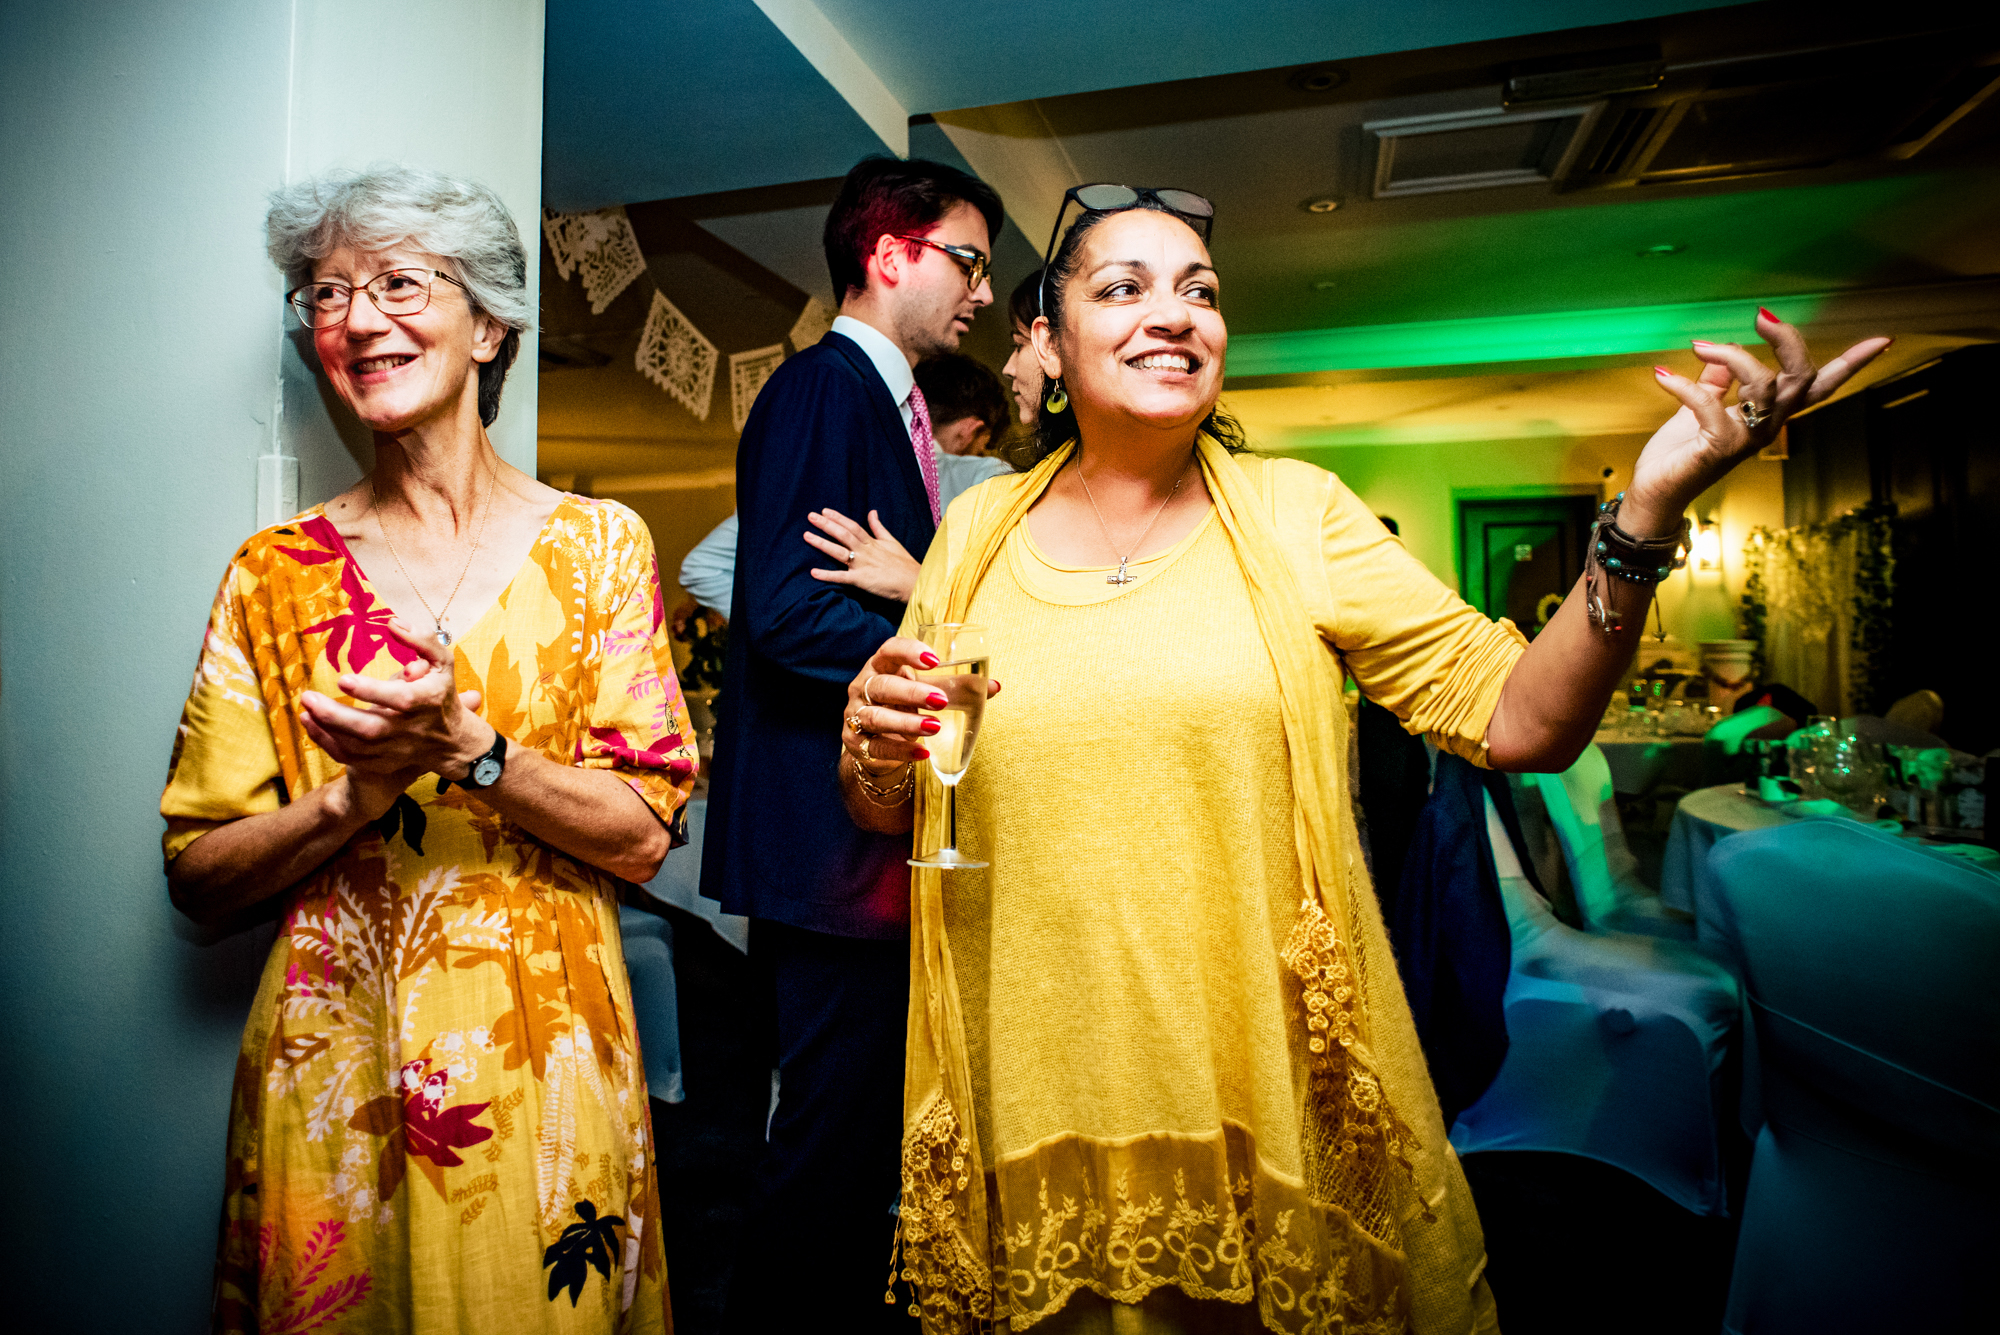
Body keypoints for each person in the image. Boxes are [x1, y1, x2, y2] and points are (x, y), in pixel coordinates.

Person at [838, 188, 1887, 1332]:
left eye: (1199, 291)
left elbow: (1522, 722)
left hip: (1258, 1076)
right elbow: (894, 805)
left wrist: (1641, 514)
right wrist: (868, 744)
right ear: (1043, 337)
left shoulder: (1298, 517)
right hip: (1041, 1076)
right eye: (1123, 288)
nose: (1175, 315)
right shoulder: (971, 541)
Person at [161, 165, 695, 1333]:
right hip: (334, 1054)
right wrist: (356, 796)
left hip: (543, 1054)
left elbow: (646, 838)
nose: (355, 318)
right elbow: (197, 879)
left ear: (490, 321)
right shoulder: (273, 573)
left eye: (399, 282)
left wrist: (474, 749)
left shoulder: (601, 548)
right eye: (327, 293)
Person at [699, 155, 1004, 1331]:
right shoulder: (828, 388)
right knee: (826, 1151)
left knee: (847, 1139)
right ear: (891, 255)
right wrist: (955, 660)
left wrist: (915, 597)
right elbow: (782, 611)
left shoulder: (882, 401)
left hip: (850, 848)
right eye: (967, 261)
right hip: (830, 854)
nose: (979, 291)